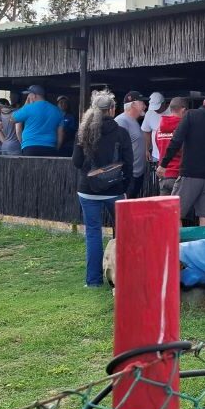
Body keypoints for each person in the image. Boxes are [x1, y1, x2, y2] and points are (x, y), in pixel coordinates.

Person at [72, 91, 132, 288]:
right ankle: (122, 276)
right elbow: (129, 164)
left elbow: (77, 162)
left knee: (93, 234)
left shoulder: (83, 132)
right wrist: (125, 187)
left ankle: (93, 281)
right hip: (115, 190)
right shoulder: (121, 132)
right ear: (112, 110)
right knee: (122, 233)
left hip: (87, 190)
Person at [158, 92, 205, 226]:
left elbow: (176, 141)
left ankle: (177, 241)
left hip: (190, 174)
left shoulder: (191, 115)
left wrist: (164, 164)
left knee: (174, 213)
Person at [13, 85, 64, 156]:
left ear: (33, 95)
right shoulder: (57, 110)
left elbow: (12, 119)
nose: (28, 97)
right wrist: (56, 148)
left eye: (28, 95)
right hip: (50, 147)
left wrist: (25, 104)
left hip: (30, 147)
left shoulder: (28, 108)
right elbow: (61, 133)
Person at [115, 91, 148, 198]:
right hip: (128, 176)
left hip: (136, 175)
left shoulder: (133, 121)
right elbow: (116, 149)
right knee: (124, 205)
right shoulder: (121, 121)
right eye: (142, 103)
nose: (145, 106)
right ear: (133, 104)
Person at [154, 97, 189, 194]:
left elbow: (159, 148)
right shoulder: (184, 128)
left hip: (163, 175)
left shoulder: (159, 129)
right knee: (181, 204)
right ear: (183, 110)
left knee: (165, 204)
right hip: (178, 175)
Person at [141, 92, 168, 164]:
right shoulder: (149, 113)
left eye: (157, 107)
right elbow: (146, 132)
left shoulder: (172, 112)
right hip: (155, 154)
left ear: (163, 103)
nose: (155, 110)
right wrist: (147, 149)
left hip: (170, 155)